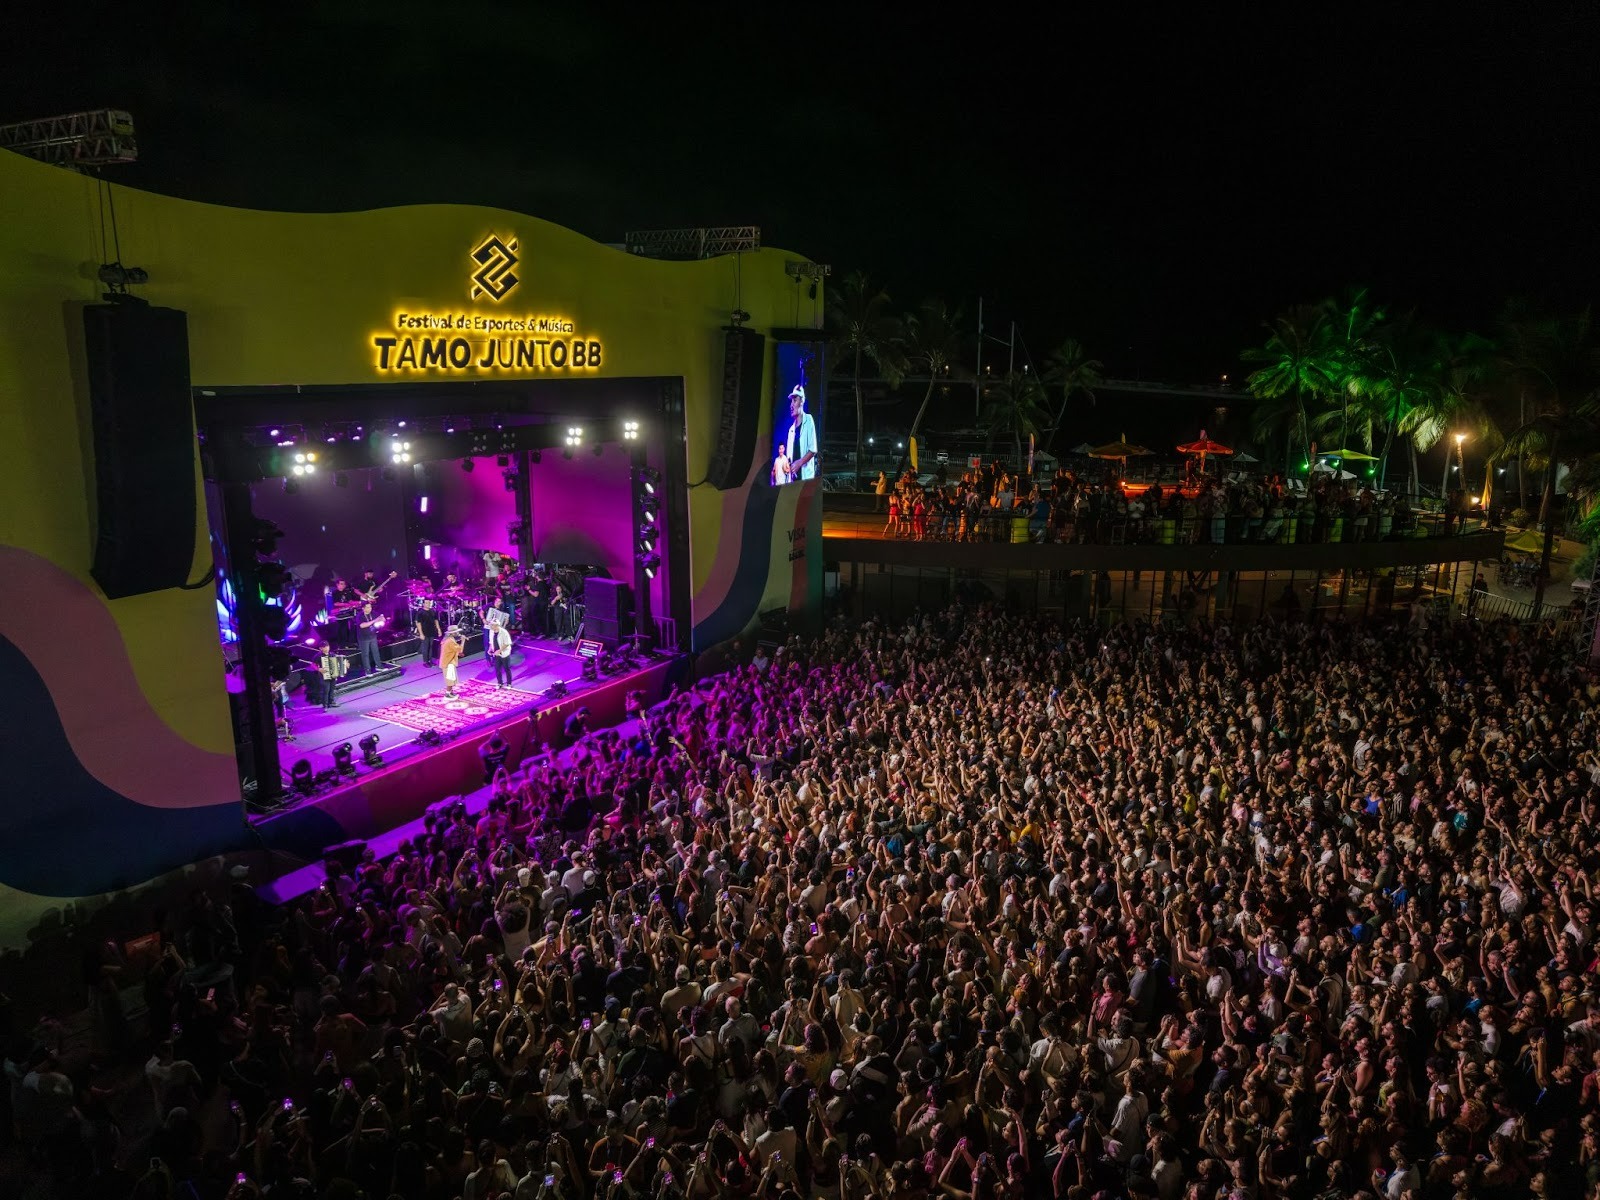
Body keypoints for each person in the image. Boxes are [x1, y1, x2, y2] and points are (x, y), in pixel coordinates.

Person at [785, 385, 818, 481]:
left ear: (802, 401)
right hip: (792, 480)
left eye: (795, 400)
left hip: (805, 479)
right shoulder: (791, 430)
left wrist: (799, 463)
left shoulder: (809, 420)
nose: (791, 405)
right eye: (791, 401)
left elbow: (813, 449)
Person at [414, 596, 442, 667]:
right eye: (426, 603)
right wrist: (421, 634)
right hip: (424, 632)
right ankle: (425, 661)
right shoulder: (420, 612)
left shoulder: (432, 611)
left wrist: (438, 629)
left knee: (431, 646)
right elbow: (418, 623)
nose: (428, 604)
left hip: (431, 631)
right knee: (425, 647)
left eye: (429, 603)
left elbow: (436, 620)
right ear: (423, 604)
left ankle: (430, 660)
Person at [356, 603, 383, 675]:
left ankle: (379, 666)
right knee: (365, 654)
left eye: (370, 607)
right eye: (367, 607)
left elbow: (382, 618)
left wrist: (382, 619)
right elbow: (362, 625)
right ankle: (367, 670)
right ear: (363, 608)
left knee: (376, 651)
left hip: (373, 636)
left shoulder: (373, 613)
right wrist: (375, 620)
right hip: (363, 638)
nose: (370, 609)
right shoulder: (359, 616)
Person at [438, 625, 465, 698]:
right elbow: (460, 649)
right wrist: (463, 641)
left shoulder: (448, 639)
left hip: (448, 661)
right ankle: (448, 694)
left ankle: (450, 692)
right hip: (448, 663)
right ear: (452, 633)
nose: (457, 633)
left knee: (451, 678)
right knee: (450, 679)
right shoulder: (450, 641)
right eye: (456, 632)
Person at [491, 618, 514, 688]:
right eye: (492, 625)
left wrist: (499, 650)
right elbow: (491, 641)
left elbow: (507, 643)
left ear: (497, 625)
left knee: (507, 668)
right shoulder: (491, 632)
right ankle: (499, 683)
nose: (492, 626)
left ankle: (509, 684)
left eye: (493, 625)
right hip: (496, 654)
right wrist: (490, 648)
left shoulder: (504, 632)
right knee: (497, 669)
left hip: (504, 653)